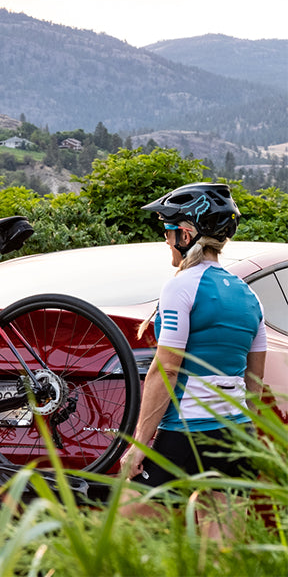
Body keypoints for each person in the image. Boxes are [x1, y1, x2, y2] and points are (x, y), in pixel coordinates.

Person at [120, 182, 266, 537]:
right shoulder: (249, 297)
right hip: (234, 432)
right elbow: (256, 386)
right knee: (221, 549)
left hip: (187, 429)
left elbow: (166, 367)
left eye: (168, 231)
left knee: (121, 526)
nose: (166, 240)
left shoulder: (181, 286)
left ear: (185, 233)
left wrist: (139, 444)